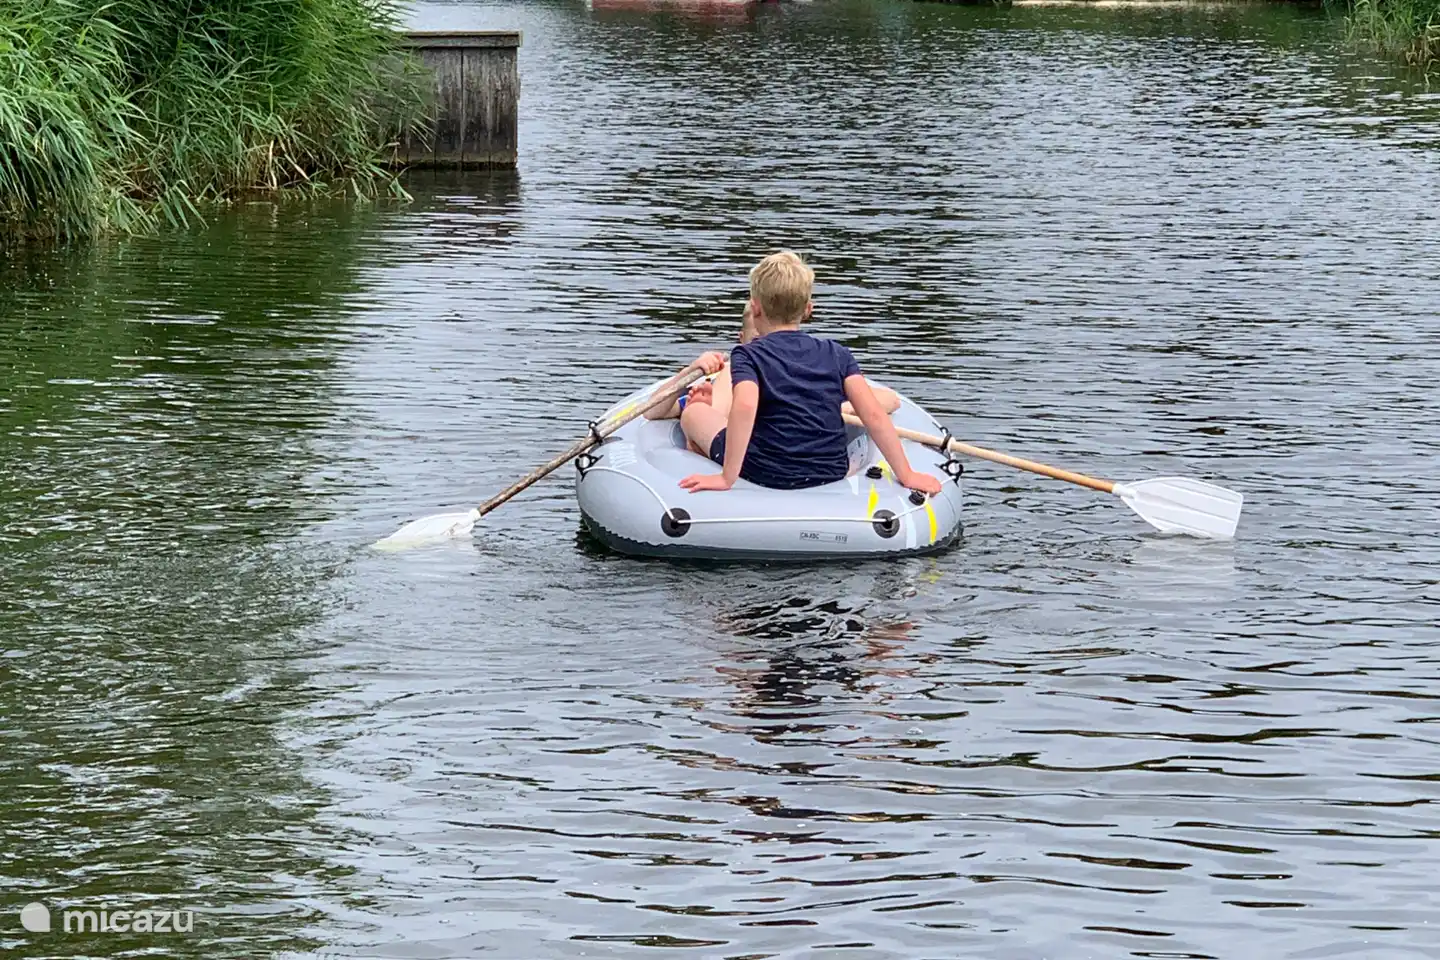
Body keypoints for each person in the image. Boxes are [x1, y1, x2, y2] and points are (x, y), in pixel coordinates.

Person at [677, 251, 941, 496]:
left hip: (764, 471)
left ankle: (700, 452)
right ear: (808, 309)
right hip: (830, 470)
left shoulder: (747, 354)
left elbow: (745, 406)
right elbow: (872, 414)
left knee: (695, 412)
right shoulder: (837, 353)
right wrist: (906, 475)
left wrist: (727, 478)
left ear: (755, 308)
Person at [645, 301, 900, 424]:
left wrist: (837, 409)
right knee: (698, 410)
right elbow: (653, 411)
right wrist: (692, 371)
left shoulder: (808, 377)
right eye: (758, 341)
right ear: (741, 339)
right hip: (732, 456)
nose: (768, 349)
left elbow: (890, 400)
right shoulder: (721, 379)